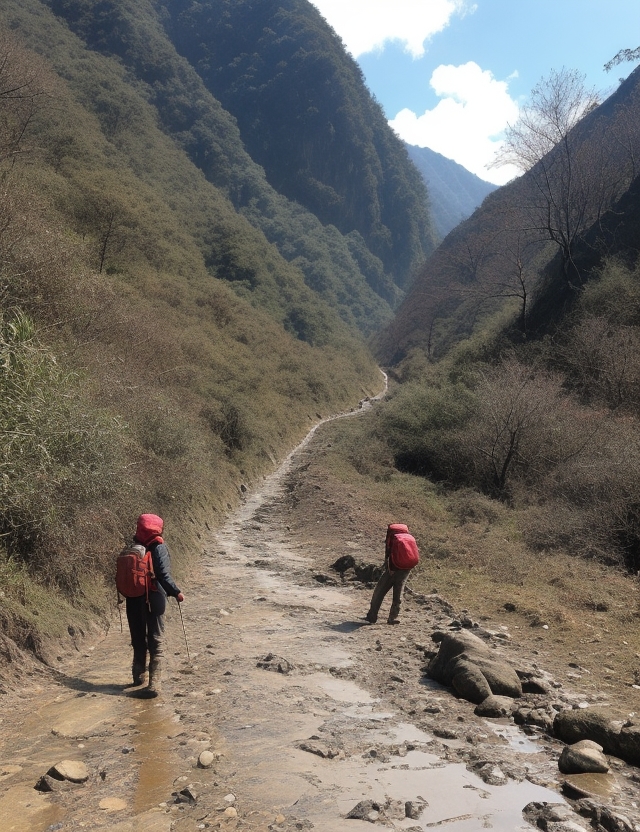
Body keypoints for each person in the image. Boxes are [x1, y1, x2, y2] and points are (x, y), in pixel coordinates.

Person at [126, 513, 184, 698]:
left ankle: (138, 676)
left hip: (133, 597)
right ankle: (154, 684)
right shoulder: (159, 546)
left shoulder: (133, 548)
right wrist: (176, 592)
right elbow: (163, 574)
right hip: (154, 597)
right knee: (156, 639)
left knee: (137, 637)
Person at [365, 523, 413, 625]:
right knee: (398, 594)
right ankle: (393, 618)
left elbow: (389, 553)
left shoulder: (393, 538)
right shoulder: (409, 538)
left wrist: (390, 568)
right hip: (405, 569)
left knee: (379, 591)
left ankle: (372, 616)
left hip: (393, 569)